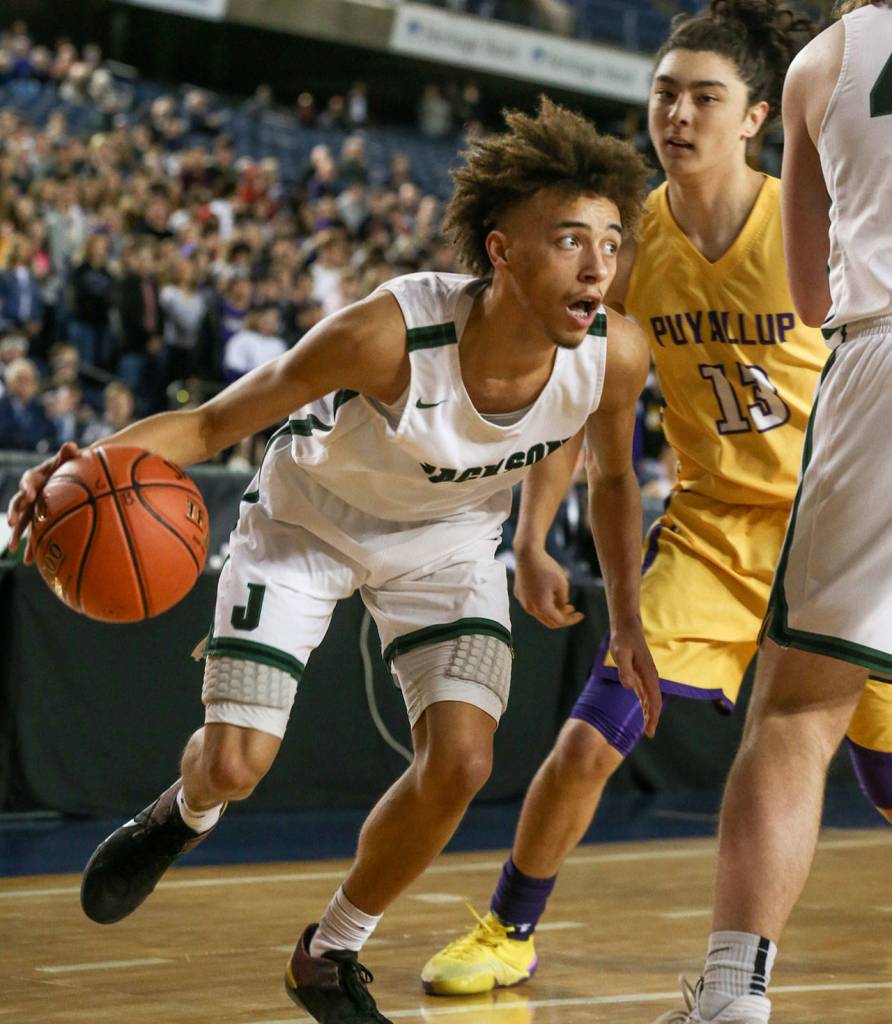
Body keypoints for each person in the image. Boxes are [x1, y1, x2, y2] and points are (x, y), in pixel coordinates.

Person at [7, 99, 659, 1024]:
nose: (599, 264)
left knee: (464, 760)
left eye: (610, 239)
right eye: (568, 239)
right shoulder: (387, 333)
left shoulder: (614, 353)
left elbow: (611, 475)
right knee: (236, 766)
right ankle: (181, 814)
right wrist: (87, 465)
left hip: (449, 543)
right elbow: (208, 424)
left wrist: (617, 614)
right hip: (307, 521)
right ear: (502, 251)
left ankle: (331, 951)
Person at [421, 0, 892, 998]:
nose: (676, 115)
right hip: (714, 529)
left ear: (756, 117)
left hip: (832, 519)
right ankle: (510, 927)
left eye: (703, 98)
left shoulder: (812, 213)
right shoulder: (624, 244)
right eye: (663, 93)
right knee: (593, 733)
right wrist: (534, 535)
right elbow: (583, 395)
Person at [653, 3, 892, 1022]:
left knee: (797, 711)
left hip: (881, 368)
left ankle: (732, 998)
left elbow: (805, 292)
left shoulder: (823, 60)